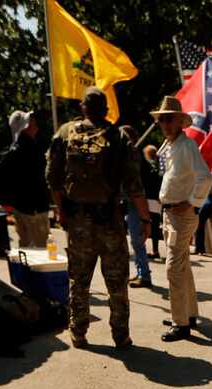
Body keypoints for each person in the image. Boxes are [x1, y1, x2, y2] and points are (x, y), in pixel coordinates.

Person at [46, 87, 151, 349]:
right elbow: (134, 183)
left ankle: (78, 332)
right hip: (110, 220)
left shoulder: (65, 133)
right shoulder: (117, 136)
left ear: (83, 107)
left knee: (79, 280)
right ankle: (120, 335)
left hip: (78, 220)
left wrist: (61, 209)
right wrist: (145, 219)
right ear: (105, 110)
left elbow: (52, 177)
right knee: (116, 282)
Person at [151, 97, 211, 342]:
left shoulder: (187, 146)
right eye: (161, 119)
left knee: (174, 269)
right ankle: (188, 315)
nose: (163, 123)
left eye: (168, 118)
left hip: (181, 214)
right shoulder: (170, 146)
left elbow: (205, 177)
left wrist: (193, 202)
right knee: (182, 267)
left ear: (179, 122)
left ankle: (181, 323)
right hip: (171, 213)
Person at [0, 110, 50, 248]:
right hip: (35, 209)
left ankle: (24, 270)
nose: (36, 126)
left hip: (20, 208)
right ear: (25, 127)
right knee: (40, 250)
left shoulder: (11, 151)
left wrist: (7, 202)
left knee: (25, 247)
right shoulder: (31, 150)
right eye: (31, 123)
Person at [121, 125, 152, 289]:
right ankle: (141, 271)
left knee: (137, 239)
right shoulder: (124, 155)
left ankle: (144, 275)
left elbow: (138, 188)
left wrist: (145, 217)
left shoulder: (135, 156)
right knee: (133, 240)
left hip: (135, 200)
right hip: (125, 200)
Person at [142, 145, 162, 259]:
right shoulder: (159, 166)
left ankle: (141, 249)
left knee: (144, 224)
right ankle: (155, 250)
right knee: (155, 226)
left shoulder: (147, 165)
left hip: (146, 197)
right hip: (157, 199)